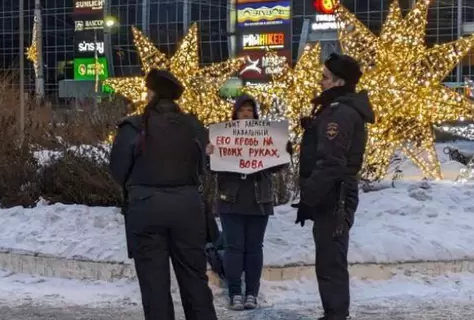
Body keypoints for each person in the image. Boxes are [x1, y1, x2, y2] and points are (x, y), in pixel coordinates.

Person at [109, 69, 218, 320]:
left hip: (146, 210)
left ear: (152, 93)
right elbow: (207, 164)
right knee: (194, 280)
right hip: (188, 210)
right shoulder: (193, 125)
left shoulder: (134, 126)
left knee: (154, 285)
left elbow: (118, 170)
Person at [294, 53, 375, 320]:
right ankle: (335, 313)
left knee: (331, 260)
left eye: (325, 77)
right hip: (332, 193)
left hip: (334, 195)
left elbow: (331, 162)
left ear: (338, 81)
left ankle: (337, 315)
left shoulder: (339, 113)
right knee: (329, 258)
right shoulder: (334, 111)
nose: (320, 82)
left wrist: (310, 198)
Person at [205, 94, 292, 311]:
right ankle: (235, 292)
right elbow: (212, 167)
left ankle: (252, 292)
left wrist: (283, 152)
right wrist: (209, 155)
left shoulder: (265, 136)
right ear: (235, 113)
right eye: (242, 110)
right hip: (230, 201)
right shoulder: (223, 136)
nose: (246, 114)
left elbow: (274, 167)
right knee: (234, 249)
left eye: (249, 110)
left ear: (255, 114)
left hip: (258, 201)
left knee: (254, 249)